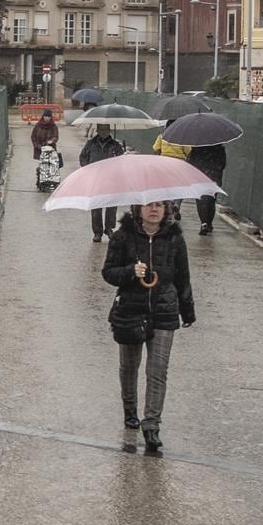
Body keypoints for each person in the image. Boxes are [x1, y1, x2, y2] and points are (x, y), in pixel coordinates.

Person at [102, 201, 195, 453]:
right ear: (137, 209)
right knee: (129, 365)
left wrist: (187, 311)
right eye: (147, 206)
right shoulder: (123, 236)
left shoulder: (175, 238)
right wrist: (131, 271)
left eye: (159, 206)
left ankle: (152, 425)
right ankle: (130, 409)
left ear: (166, 210)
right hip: (131, 310)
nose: (153, 210)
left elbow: (183, 276)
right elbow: (108, 272)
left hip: (164, 311)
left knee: (158, 370)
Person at [79, 123, 126, 241]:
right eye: (101, 129)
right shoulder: (91, 144)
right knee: (96, 206)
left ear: (110, 130)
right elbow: (83, 157)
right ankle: (97, 232)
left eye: (106, 129)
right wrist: (87, 169)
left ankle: (109, 228)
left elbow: (122, 161)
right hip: (95, 178)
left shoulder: (116, 145)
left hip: (111, 179)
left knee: (111, 205)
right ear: (97, 130)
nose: (104, 132)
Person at [187, 141, 227, 235]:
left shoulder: (197, 147)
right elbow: (223, 164)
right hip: (214, 176)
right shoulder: (220, 148)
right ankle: (209, 223)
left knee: (201, 200)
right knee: (211, 200)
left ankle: (204, 223)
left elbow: (191, 161)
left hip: (200, 175)